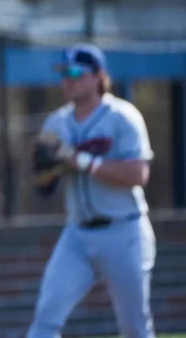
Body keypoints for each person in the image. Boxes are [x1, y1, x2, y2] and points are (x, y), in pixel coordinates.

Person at [27, 43, 156, 338]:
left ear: (98, 76)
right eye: (63, 73)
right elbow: (44, 188)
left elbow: (138, 174)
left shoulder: (122, 116)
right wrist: (44, 169)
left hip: (124, 232)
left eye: (75, 72)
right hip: (77, 235)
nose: (67, 80)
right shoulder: (57, 122)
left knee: (134, 328)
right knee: (45, 319)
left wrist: (78, 160)